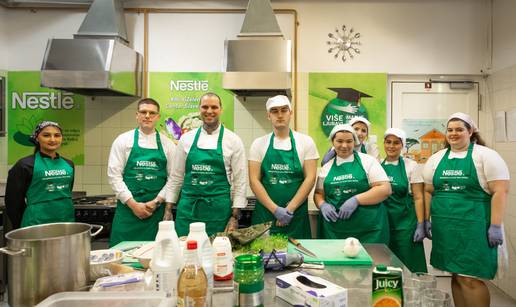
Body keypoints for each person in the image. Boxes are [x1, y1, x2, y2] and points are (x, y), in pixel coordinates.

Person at [422, 112, 509, 307]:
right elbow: (428, 190)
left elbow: (500, 191)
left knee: (471, 279)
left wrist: (495, 225)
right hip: (446, 229)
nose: (453, 133)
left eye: (459, 129)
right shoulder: (436, 159)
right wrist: (425, 219)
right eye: (450, 130)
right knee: (456, 275)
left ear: (471, 132)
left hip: (475, 228)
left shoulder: (486, 156)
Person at [168, 92, 247, 237]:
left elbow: (240, 181)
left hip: (218, 211)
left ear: (221, 110)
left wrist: (234, 216)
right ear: (199, 109)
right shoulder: (186, 139)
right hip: (188, 210)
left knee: (218, 255)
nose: (209, 111)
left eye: (214, 107)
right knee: (186, 253)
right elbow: (176, 177)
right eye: (205, 107)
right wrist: (168, 209)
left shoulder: (233, 140)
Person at [108, 98, 176, 247]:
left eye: (152, 113)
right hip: (128, 212)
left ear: (158, 117)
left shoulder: (168, 145)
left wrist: (156, 201)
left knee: (154, 257)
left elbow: (174, 179)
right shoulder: (122, 141)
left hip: (155, 212)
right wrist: (133, 205)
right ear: (137, 115)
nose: (147, 116)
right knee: (122, 259)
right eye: (143, 112)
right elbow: (114, 176)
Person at [248, 95, 319, 238]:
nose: (280, 115)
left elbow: (310, 178)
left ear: (290, 113)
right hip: (266, 215)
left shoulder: (306, 142)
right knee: (265, 257)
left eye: (284, 110)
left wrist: (290, 209)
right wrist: (275, 210)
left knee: (299, 257)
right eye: (274, 111)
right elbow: (253, 180)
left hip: (296, 215)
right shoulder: (258, 144)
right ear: (268, 115)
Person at [314, 124, 391, 242]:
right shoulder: (326, 168)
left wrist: (356, 200)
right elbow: (319, 193)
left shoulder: (368, 161)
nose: (344, 145)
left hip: (368, 231)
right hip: (335, 231)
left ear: (354, 142)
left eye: (349, 141)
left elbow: (385, 189)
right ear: (332, 142)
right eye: (339, 141)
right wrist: (322, 205)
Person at [5, 121, 75, 228]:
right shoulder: (24, 165)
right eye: (46, 135)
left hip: (65, 220)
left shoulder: (69, 165)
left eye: (57, 135)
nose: (52, 139)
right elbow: (13, 202)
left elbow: (67, 191)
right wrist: (20, 227)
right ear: (37, 138)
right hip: (36, 223)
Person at [381, 128, 427, 273]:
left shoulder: (411, 166)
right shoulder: (376, 164)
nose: (391, 146)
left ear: (402, 145)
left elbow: (419, 197)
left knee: (409, 263)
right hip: (383, 221)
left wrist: (421, 223)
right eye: (388, 142)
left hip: (405, 223)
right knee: (385, 263)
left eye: (396, 143)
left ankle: (414, 293)